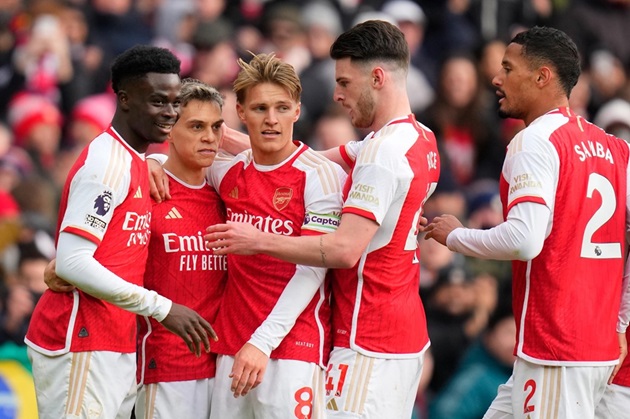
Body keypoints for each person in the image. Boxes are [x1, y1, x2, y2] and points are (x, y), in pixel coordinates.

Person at [205, 20, 441, 418]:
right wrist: (224, 137)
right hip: (400, 331)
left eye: (345, 83)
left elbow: (342, 250)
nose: (337, 94)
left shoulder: (381, 154)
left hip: (369, 336)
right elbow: (299, 161)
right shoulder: (421, 138)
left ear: (377, 78)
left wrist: (257, 239)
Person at [423, 26, 630, 418]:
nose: (496, 79)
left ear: (542, 77)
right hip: (592, 348)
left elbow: (525, 239)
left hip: (557, 347)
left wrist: (456, 236)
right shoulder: (615, 147)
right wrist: (621, 320)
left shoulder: (534, 141)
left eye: (508, 68)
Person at [151, 52, 346, 418]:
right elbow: (180, 165)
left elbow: (313, 268)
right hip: (231, 347)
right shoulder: (226, 172)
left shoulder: (321, 175)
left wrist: (262, 342)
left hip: (292, 350)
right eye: (259, 108)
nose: (271, 120)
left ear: (298, 110)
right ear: (239, 113)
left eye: (281, 107)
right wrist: (150, 162)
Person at [24, 45, 215, 419]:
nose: (170, 113)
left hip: (114, 340)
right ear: (125, 99)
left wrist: (155, 160)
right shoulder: (107, 163)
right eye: (158, 101)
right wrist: (162, 308)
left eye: (175, 103)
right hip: (81, 338)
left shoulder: (135, 159)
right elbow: (72, 261)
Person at [135, 78, 228, 419]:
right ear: (169, 131)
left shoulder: (226, 195)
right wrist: (145, 163)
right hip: (165, 368)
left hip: (223, 369)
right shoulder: (145, 192)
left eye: (216, 127)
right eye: (197, 126)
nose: (210, 137)